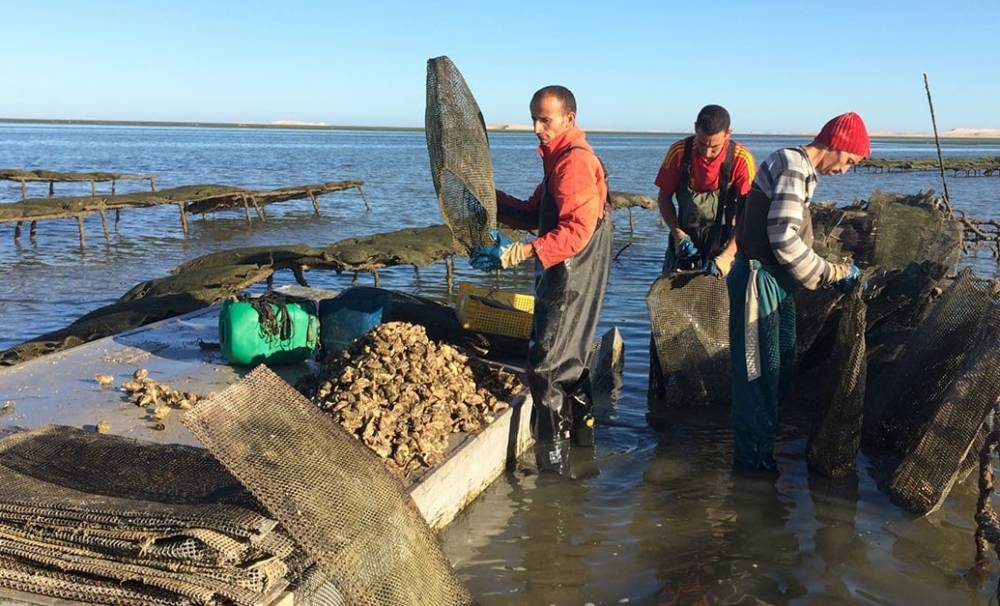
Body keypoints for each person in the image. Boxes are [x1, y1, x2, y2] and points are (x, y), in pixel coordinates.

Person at [470, 85, 613, 475]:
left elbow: (576, 231)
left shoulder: (574, 164)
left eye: (544, 120)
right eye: (533, 118)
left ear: (570, 118)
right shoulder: (560, 159)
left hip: (571, 278)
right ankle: (585, 457)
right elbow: (536, 212)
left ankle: (552, 476)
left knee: (546, 368)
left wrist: (525, 251)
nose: (536, 127)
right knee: (574, 361)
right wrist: (492, 203)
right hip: (575, 275)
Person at [729, 112, 869, 470]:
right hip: (758, 285)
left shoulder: (800, 169)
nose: (845, 170)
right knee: (756, 378)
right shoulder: (793, 167)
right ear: (836, 146)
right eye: (849, 161)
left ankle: (764, 455)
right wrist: (833, 273)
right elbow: (784, 238)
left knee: (779, 370)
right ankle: (752, 473)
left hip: (775, 283)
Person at [654, 104, 756, 276]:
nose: (707, 153)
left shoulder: (741, 158)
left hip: (725, 237)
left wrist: (728, 253)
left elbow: (750, 212)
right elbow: (664, 199)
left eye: (714, 147)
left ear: (728, 134)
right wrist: (678, 234)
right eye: (701, 144)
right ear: (695, 128)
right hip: (685, 234)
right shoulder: (678, 152)